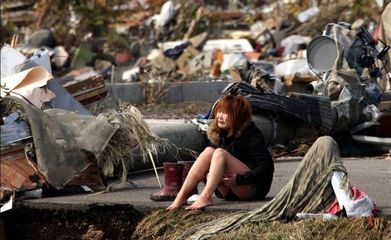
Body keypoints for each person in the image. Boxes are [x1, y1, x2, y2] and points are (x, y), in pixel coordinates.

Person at [167, 95, 274, 210]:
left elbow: (267, 167)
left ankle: (206, 196)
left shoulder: (252, 134)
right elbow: (208, 166)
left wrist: (240, 179)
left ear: (237, 115)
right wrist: (207, 176)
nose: (219, 116)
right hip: (226, 191)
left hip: (250, 189)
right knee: (209, 151)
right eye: (219, 112)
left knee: (220, 153)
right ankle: (181, 196)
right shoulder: (220, 134)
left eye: (225, 113)